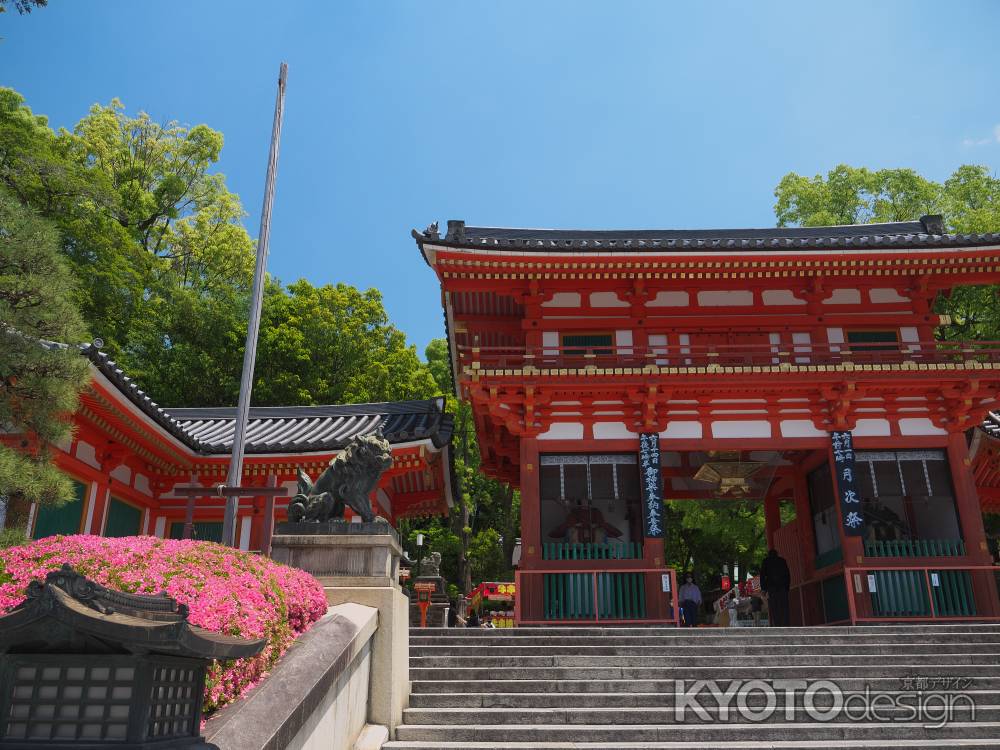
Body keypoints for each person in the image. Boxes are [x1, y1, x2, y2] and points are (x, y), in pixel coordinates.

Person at [760, 549, 791, 627]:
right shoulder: (782, 561)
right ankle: (785, 623)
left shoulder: (766, 561)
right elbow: (787, 574)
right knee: (784, 606)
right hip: (782, 586)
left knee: (774, 606)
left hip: (771, 587)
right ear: (777, 554)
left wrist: (764, 588)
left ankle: (777, 624)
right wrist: (787, 587)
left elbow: (762, 575)